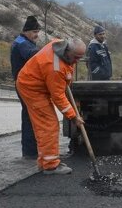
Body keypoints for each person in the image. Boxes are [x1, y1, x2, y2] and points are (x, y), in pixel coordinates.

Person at [16, 38, 87, 175]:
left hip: (39, 83)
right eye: (76, 57)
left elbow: (63, 83)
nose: (77, 61)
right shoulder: (55, 67)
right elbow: (58, 97)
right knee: (48, 125)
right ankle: (50, 166)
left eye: (80, 58)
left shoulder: (60, 45)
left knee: (46, 125)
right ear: (68, 51)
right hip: (32, 88)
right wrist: (73, 116)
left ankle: (45, 161)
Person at [11, 15, 41, 159]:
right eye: (35, 32)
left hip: (26, 85)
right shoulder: (22, 43)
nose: (37, 35)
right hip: (24, 86)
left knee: (29, 116)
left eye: (38, 32)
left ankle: (32, 150)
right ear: (27, 31)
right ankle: (30, 152)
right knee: (29, 117)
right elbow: (33, 55)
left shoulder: (25, 41)